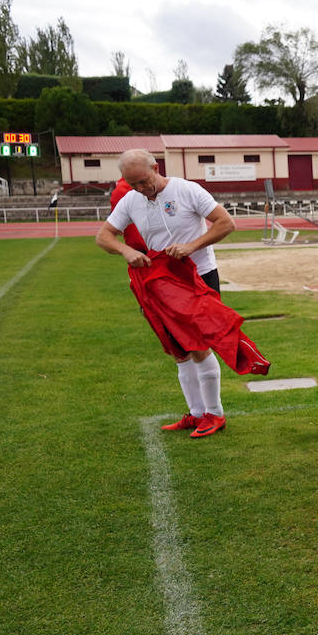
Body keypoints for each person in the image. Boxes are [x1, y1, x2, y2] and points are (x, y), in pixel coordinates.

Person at [96, 148, 239, 438]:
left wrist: (191, 246)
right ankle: (197, 413)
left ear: (155, 168)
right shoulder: (131, 200)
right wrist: (125, 250)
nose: (141, 188)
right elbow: (103, 236)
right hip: (162, 283)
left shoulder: (187, 190)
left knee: (198, 345)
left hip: (198, 277)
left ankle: (215, 414)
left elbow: (226, 223)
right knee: (179, 351)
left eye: (144, 181)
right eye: (133, 183)